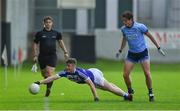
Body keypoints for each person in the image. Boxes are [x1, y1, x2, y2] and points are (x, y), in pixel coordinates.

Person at [116, 11, 165, 102]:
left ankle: (150, 93)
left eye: (126, 21)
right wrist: (120, 50)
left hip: (143, 53)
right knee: (125, 75)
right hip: (132, 54)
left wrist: (158, 47)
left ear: (131, 20)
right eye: (123, 21)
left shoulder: (140, 27)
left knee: (147, 73)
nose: (124, 23)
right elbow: (124, 39)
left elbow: (150, 36)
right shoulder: (124, 29)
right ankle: (130, 90)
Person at [34, 58, 132, 102]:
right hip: (92, 72)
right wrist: (39, 82)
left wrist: (96, 97)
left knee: (109, 88)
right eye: (66, 65)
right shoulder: (65, 73)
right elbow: (52, 78)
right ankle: (126, 95)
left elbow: (90, 84)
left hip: (95, 77)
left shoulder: (79, 73)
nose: (66, 67)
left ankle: (127, 96)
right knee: (109, 86)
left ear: (73, 66)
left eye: (68, 65)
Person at [33, 16, 69, 97]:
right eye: (46, 22)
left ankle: (48, 89)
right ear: (44, 23)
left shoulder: (56, 33)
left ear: (52, 23)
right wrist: (35, 55)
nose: (48, 24)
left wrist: (65, 52)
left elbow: (60, 42)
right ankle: (48, 81)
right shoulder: (39, 33)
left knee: (49, 72)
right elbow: (35, 43)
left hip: (52, 56)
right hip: (42, 56)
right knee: (44, 74)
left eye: (49, 22)